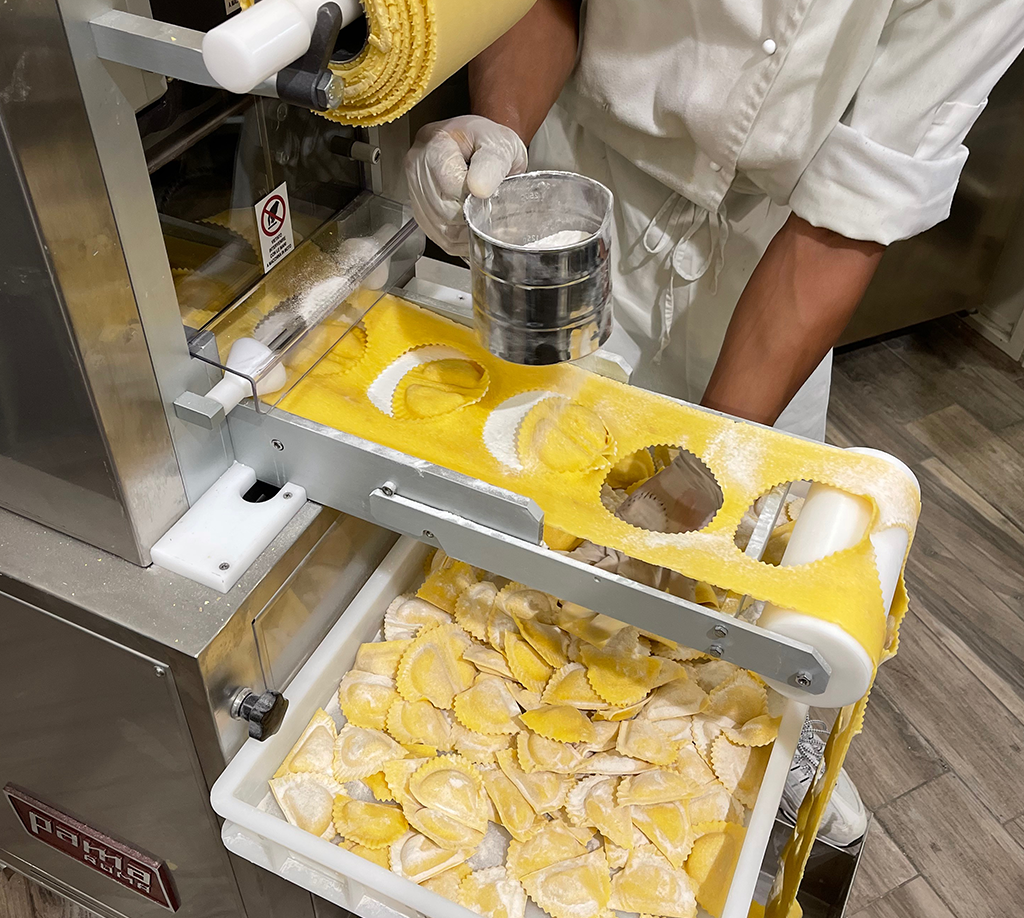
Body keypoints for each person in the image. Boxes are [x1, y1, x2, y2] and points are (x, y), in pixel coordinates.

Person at [404, 0, 1024, 844]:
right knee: (522, 520)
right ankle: (497, 738)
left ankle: (740, 744)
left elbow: (857, 204)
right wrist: (501, 131)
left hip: (777, 255)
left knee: (743, 556)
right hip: (585, 196)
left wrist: (700, 471)